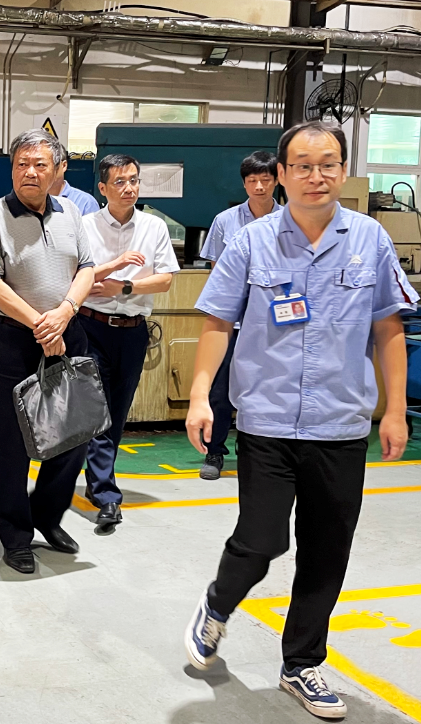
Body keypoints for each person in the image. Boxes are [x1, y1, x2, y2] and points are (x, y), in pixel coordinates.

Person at [183, 120, 417, 720]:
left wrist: (394, 410)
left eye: (328, 164)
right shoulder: (251, 242)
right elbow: (217, 322)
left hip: (340, 423)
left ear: (343, 170)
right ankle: (218, 604)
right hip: (267, 420)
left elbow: (389, 328)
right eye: (304, 166)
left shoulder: (371, 239)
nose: (317, 176)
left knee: (327, 550)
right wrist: (201, 395)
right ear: (282, 174)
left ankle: (302, 664)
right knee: (261, 540)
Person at [0, 129, 95, 575]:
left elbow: (87, 269)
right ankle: (15, 536)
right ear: (12, 169)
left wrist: (64, 313)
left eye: (40, 164)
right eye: (22, 163)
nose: (30, 172)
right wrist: (42, 326)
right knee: (14, 444)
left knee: (74, 433)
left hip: (67, 330)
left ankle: (45, 513)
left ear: (57, 170)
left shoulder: (71, 212)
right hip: (15, 339)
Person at [78, 154, 179, 530]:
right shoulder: (85, 226)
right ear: (103, 188)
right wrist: (107, 272)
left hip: (133, 331)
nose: (129, 188)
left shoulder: (154, 227)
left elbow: (165, 279)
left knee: (117, 411)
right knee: (97, 408)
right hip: (91, 328)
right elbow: (74, 274)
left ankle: (98, 480)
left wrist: (124, 286)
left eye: (134, 180)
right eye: (120, 182)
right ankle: (106, 492)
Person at [197, 150, 282, 480]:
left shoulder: (290, 220)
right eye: (252, 181)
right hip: (232, 323)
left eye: (265, 180)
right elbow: (217, 272)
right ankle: (215, 451)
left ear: (277, 181)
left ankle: (260, 453)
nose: (259, 187)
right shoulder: (225, 221)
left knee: (267, 389)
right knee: (220, 391)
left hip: (272, 323)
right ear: (244, 183)